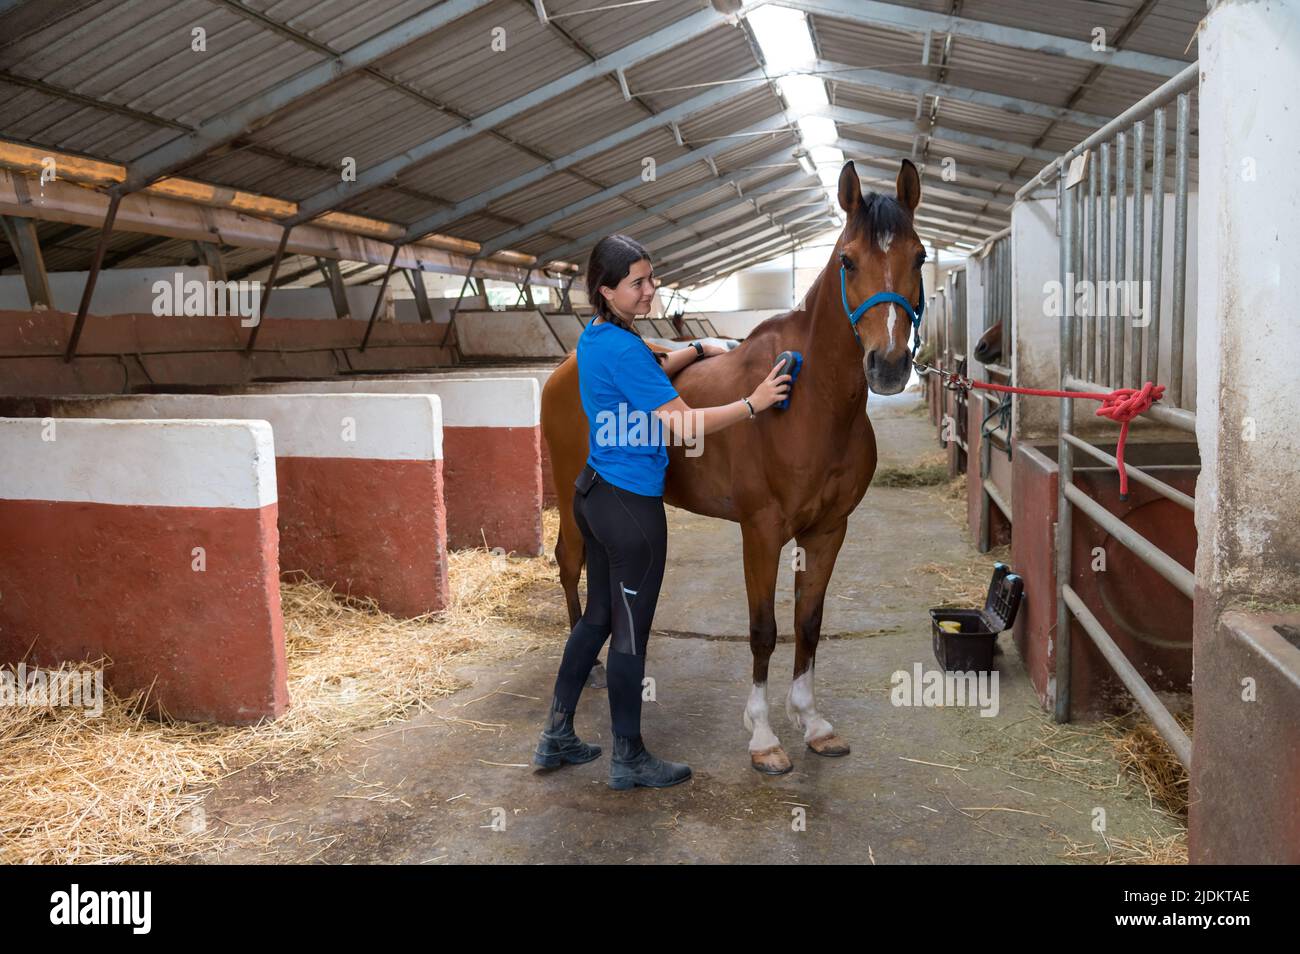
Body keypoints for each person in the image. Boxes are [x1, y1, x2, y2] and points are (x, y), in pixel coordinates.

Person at [532, 233, 791, 790]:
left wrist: (697, 351)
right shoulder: (626, 347)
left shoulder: (598, 339)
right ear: (607, 290)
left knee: (598, 618)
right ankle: (629, 757)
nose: (651, 290)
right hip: (631, 510)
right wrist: (753, 404)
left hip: (593, 495)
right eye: (638, 283)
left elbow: (651, 371)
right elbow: (681, 423)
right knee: (629, 634)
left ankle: (556, 734)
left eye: (651, 278)